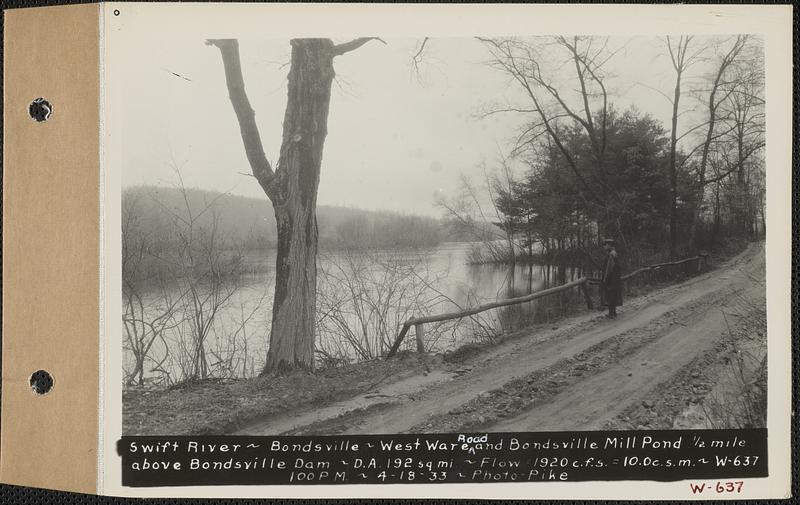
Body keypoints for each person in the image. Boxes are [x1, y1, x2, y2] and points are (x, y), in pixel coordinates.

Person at [601, 238, 622, 319]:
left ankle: (611, 313)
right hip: (615, 278)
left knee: (610, 295)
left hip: (611, 278)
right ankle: (613, 312)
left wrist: (605, 278)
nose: (604, 247)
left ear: (609, 245)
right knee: (613, 295)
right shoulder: (614, 253)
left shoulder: (611, 255)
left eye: (605, 245)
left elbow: (609, 269)